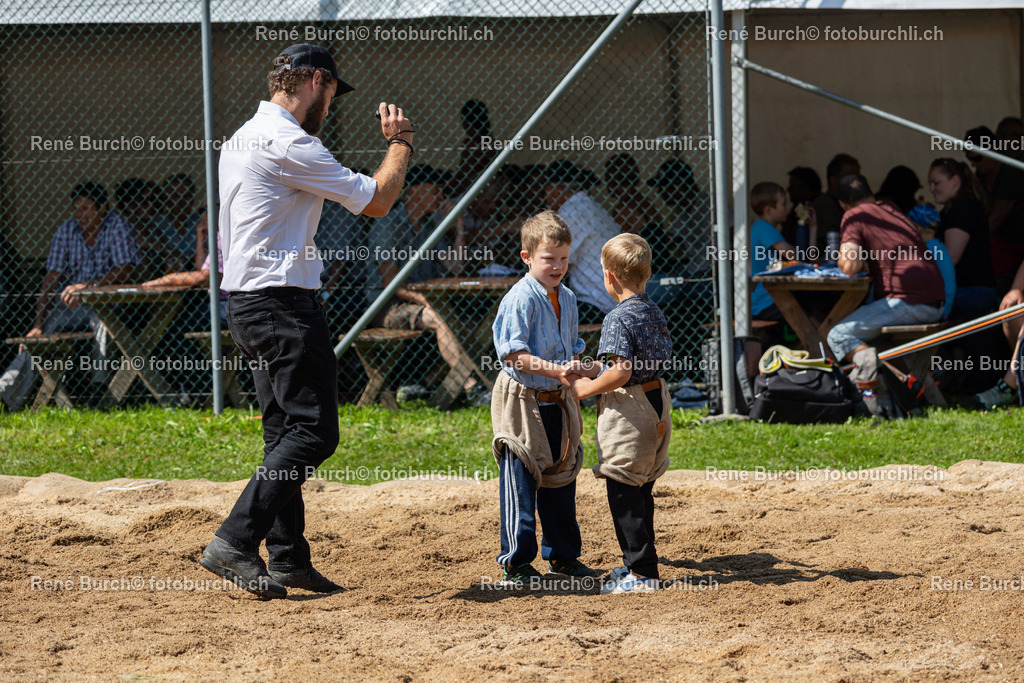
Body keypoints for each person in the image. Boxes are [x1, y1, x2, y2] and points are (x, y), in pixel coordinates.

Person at [198, 43, 416, 599]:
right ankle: (234, 540)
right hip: (282, 306)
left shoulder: (243, 135)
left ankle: (288, 557)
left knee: (283, 433)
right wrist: (400, 143)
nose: (332, 106)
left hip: (248, 302)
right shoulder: (289, 141)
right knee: (315, 430)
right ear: (317, 80)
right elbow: (377, 200)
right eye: (333, 93)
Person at [490, 210, 596, 586]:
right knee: (521, 477)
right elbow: (513, 354)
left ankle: (562, 557)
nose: (558, 266)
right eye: (549, 258)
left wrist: (583, 371)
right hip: (522, 398)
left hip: (557, 397)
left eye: (564, 258)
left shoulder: (567, 297)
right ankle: (516, 564)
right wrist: (558, 371)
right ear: (527, 257)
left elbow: (571, 348)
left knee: (561, 476)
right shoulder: (521, 298)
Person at [563, 233, 673, 594]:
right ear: (648, 272)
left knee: (623, 489)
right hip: (657, 402)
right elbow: (625, 364)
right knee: (641, 488)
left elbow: (622, 372)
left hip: (630, 409)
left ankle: (642, 574)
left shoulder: (616, 318)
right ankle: (639, 564)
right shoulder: (652, 310)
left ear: (608, 276)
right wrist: (593, 367)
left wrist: (585, 388)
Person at [827, 175, 945, 416]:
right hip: (935, 302)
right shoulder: (890, 208)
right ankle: (916, 395)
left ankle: (879, 399)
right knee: (874, 340)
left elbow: (850, 265)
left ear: (842, 204)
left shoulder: (854, 215)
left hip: (908, 302)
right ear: (871, 188)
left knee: (838, 334)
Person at [368, 163, 477, 398]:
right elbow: (390, 283)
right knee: (439, 317)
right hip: (386, 305)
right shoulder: (388, 224)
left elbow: (455, 267)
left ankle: (430, 383)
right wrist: (425, 300)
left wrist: (458, 227)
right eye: (435, 189)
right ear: (414, 191)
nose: (441, 196)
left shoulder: (429, 226)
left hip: (419, 301)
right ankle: (471, 385)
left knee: (469, 322)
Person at [25, 182, 141, 377]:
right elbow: (51, 278)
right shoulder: (66, 231)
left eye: (86, 208)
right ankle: (9, 389)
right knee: (42, 331)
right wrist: (37, 325)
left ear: (102, 208)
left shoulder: (117, 225)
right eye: (76, 209)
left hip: (108, 303)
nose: (80, 215)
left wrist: (88, 287)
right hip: (72, 305)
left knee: (103, 322)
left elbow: (124, 270)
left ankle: (99, 384)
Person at [542, 159, 619, 321]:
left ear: (555, 189)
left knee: (535, 309)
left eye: (546, 191)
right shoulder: (593, 207)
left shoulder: (572, 212)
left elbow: (556, 265)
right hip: (612, 298)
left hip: (595, 302)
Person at [927, 158, 995, 320]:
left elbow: (950, 257)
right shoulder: (953, 209)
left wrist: (927, 240)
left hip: (972, 291)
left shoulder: (963, 208)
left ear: (955, 181)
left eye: (936, 183)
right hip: (969, 290)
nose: (931, 189)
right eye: (930, 184)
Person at [964, 126, 1024, 295]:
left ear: (993, 150)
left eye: (977, 157)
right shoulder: (980, 176)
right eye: (969, 158)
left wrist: (973, 239)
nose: (973, 163)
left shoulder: (1011, 172)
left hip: (1018, 240)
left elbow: (997, 216)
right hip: (1002, 240)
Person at [749, 182, 797, 322]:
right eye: (784, 204)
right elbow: (793, 255)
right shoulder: (765, 228)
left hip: (763, 299)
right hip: (767, 300)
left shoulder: (760, 227)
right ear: (769, 210)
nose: (789, 207)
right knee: (807, 310)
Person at [115, 178, 180, 280]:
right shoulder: (119, 229)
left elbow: (169, 255)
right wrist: (156, 247)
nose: (151, 205)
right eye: (144, 201)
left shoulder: (153, 230)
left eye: (152, 200)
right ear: (128, 205)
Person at [906, 204, 956, 321]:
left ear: (917, 228)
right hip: (945, 307)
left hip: (939, 310)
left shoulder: (927, 250)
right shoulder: (938, 246)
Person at [449, 99, 497, 197]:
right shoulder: (490, 141)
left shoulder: (473, 145)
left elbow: (462, 177)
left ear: (466, 123)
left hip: (472, 193)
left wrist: (447, 192)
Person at [787, 166, 840, 247]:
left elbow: (824, 238)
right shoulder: (798, 207)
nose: (788, 189)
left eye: (793, 186)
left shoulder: (822, 204)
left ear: (806, 188)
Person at [160, 173, 202, 272]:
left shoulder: (199, 221)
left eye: (186, 196)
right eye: (176, 196)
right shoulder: (158, 224)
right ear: (166, 198)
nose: (181, 201)